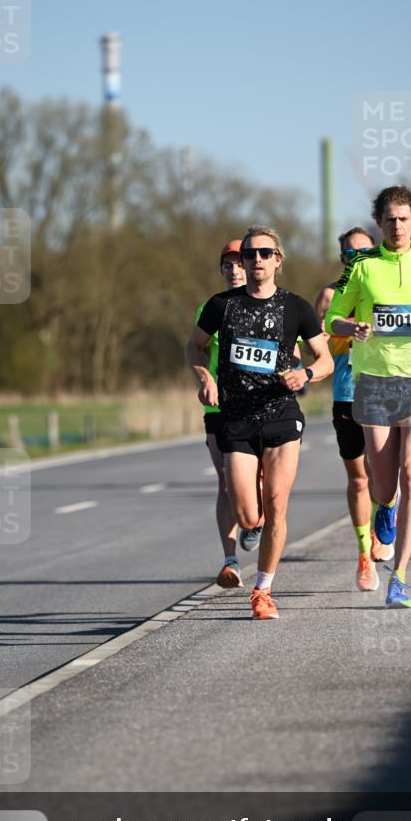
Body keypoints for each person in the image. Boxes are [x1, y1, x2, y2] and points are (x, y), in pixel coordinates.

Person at [186, 224, 333, 619]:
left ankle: (263, 590)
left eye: (264, 253)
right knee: (249, 515)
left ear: (278, 260)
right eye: (249, 254)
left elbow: (326, 359)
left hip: (282, 414)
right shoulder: (222, 305)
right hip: (236, 418)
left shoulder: (296, 308)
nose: (255, 261)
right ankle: (256, 517)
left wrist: (306, 375)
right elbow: (193, 347)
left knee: (278, 503)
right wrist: (206, 377)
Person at [325, 185, 411, 608]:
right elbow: (332, 318)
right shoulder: (362, 267)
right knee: (384, 483)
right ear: (379, 223)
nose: (397, 225)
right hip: (374, 382)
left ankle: (399, 576)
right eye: (389, 219)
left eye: (403, 218)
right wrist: (353, 328)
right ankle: (386, 506)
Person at [314, 227, 394, 592]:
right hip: (347, 393)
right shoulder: (331, 295)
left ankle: (383, 523)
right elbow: (318, 346)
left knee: (383, 477)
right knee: (360, 478)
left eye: (365, 251)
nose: (357, 257)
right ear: (343, 258)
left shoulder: (387, 286)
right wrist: (345, 331)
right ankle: (364, 554)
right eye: (350, 254)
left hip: (383, 389)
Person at [194, 240, 245, 588]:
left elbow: (295, 349)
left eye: (239, 262)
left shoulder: (273, 305)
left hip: (261, 406)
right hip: (220, 406)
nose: (234, 269)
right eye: (227, 264)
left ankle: (254, 519)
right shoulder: (213, 306)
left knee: (257, 485)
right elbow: (194, 347)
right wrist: (206, 377)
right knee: (226, 481)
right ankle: (231, 562)